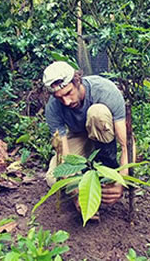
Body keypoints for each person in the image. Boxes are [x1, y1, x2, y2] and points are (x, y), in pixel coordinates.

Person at [42, 61, 132, 208]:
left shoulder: (105, 91)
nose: (66, 101)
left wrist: (122, 181)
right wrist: (76, 194)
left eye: (68, 93)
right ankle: (86, 176)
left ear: (77, 81)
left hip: (103, 132)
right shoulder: (53, 107)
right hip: (79, 136)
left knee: (97, 113)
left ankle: (108, 166)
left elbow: (126, 143)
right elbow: (63, 156)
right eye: (59, 98)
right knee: (53, 177)